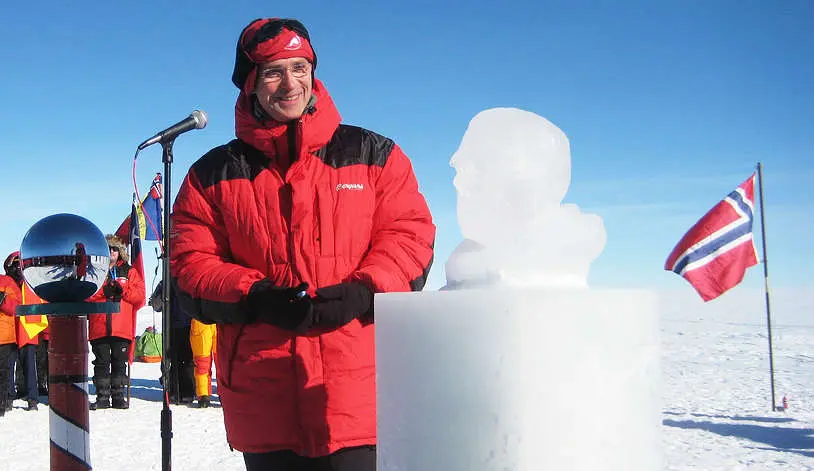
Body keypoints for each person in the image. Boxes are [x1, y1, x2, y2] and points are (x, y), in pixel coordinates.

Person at [169, 17, 435, 471]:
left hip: (356, 396)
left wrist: (364, 290)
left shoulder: (373, 154)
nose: (290, 83)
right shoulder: (211, 175)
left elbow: (410, 234)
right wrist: (253, 295)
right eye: (273, 71)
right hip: (264, 397)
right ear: (251, 84)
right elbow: (189, 262)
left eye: (300, 67)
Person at [87, 235, 145, 410]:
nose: (112, 252)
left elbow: (139, 296)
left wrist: (123, 290)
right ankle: (102, 397)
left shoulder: (129, 271)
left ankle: (118, 397)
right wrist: (104, 291)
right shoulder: (94, 271)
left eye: (115, 249)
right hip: (99, 326)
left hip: (122, 327)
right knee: (101, 362)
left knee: (120, 362)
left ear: (120, 252)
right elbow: (87, 294)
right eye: (109, 248)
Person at [5, 251, 46, 411]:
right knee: (8, 366)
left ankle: (32, 399)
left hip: (27, 330)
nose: (18, 268)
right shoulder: (6, 283)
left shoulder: (30, 284)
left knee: (30, 367)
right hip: (9, 330)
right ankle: (8, 397)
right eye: (15, 265)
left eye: (20, 265)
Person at [149, 280, 195, 404]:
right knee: (172, 359)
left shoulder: (189, 279)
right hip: (172, 326)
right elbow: (155, 305)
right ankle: (173, 390)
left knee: (188, 360)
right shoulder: (165, 281)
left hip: (190, 325)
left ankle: (188, 391)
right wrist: (161, 295)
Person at [0, 268, 21, 416]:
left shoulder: (7, 282)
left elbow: (16, 307)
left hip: (5, 338)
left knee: (4, 372)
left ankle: (3, 403)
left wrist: (3, 299)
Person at [189, 317, 216, 408]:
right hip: (201, 320)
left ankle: (224, 393)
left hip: (223, 321)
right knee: (202, 362)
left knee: (223, 363)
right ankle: (203, 394)